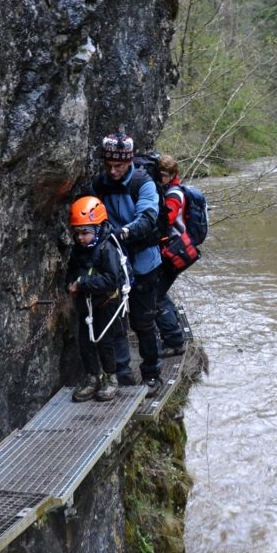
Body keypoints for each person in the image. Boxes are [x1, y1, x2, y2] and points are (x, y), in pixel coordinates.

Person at [92, 133, 163, 397]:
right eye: (108, 165)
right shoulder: (100, 184)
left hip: (144, 263)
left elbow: (147, 217)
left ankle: (152, 374)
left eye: (118, 166)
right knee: (115, 322)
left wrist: (123, 232)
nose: (113, 171)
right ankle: (123, 377)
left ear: (129, 160)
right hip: (114, 267)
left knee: (143, 322)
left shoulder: (143, 183)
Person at [65, 196, 126, 402]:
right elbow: (72, 271)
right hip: (86, 304)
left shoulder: (107, 249)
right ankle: (93, 377)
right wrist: (71, 284)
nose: (81, 238)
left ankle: (111, 378)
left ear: (98, 229)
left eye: (85, 233)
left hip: (105, 304)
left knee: (104, 342)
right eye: (77, 233)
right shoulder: (79, 250)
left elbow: (111, 279)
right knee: (85, 342)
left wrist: (82, 284)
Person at [154, 154, 194, 356]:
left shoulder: (174, 195)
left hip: (172, 252)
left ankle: (174, 341)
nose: (160, 178)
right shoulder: (169, 190)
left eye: (163, 175)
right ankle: (173, 332)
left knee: (156, 296)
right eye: (159, 175)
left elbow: (165, 222)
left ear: (172, 175)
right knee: (158, 293)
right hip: (174, 250)